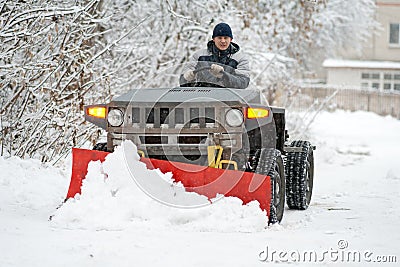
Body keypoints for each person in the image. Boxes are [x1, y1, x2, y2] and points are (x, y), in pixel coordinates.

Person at [180, 22, 250, 89]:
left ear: (231, 39)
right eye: (219, 38)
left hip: (229, 99)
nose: (223, 41)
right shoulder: (199, 56)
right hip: (202, 98)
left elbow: (243, 82)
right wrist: (187, 77)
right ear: (213, 39)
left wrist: (224, 76)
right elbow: (183, 80)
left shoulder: (240, 59)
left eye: (225, 38)